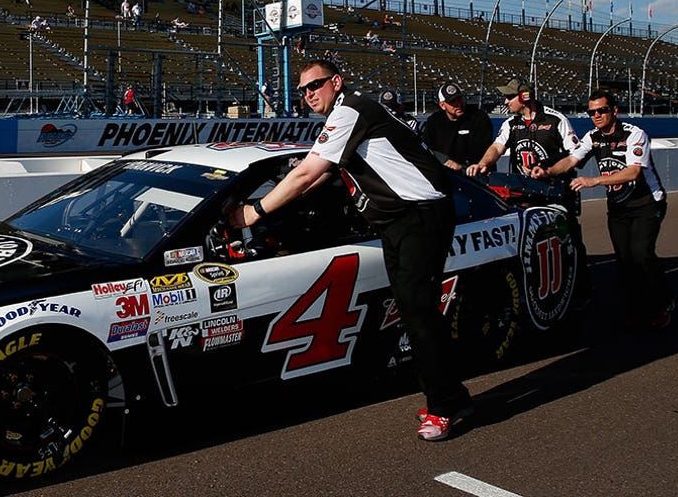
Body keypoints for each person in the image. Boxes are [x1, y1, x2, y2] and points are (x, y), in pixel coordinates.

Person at [229, 59, 472, 441]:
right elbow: (319, 175)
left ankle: (446, 405)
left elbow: (307, 172)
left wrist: (254, 212)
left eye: (315, 86)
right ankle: (447, 395)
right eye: (303, 91)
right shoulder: (350, 111)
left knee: (419, 311)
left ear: (336, 81)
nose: (309, 95)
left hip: (420, 217)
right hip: (400, 221)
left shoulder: (351, 110)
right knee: (412, 310)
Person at [534, 90, 673, 328]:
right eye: (592, 112)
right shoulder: (592, 137)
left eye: (602, 110)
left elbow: (634, 171)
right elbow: (571, 160)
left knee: (641, 254)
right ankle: (637, 308)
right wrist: (547, 171)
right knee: (624, 260)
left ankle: (662, 303)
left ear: (614, 110)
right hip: (618, 207)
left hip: (647, 203)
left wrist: (594, 181)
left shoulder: (634, 134)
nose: (596, 116)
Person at [466, 78, 590, 293]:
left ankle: (579, 290)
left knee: (568, 242)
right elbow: (497, 147)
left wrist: (549, 170)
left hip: (555, 195)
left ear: (525, 97)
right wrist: (484, 163)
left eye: (510, 96)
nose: (506, 101)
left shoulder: (555, 120)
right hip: (523, 196)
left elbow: (574, 153)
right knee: (527, 245)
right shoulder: (511, 123)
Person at [422, 82, 493, 173]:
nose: (458, 104)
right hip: (443, 172)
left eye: (459, 99)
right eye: (452, 102)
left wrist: (462, 166)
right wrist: (443, 161)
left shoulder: (478, 117)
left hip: (474, 172)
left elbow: (482, 149)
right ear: (442, 105)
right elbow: (426, 147)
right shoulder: (434, 121)